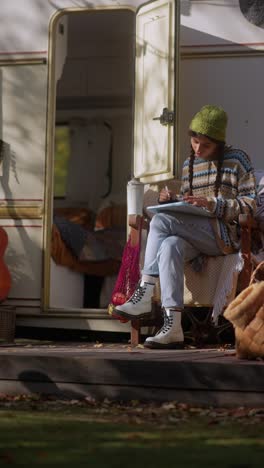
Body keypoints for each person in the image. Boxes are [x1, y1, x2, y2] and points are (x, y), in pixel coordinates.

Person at [115, 105, 256, 349]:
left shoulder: (238, 160)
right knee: (169, 245)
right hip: (195, 236)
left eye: (206, 145)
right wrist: (171, 200)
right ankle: (173, 328)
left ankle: (145, 290)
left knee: (160, 221)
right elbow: (186, 203)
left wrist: (211, 203)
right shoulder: (189, 164)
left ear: (220, 144)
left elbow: (248, 206)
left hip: (223, 236)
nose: (198, 149)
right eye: (194, 141)